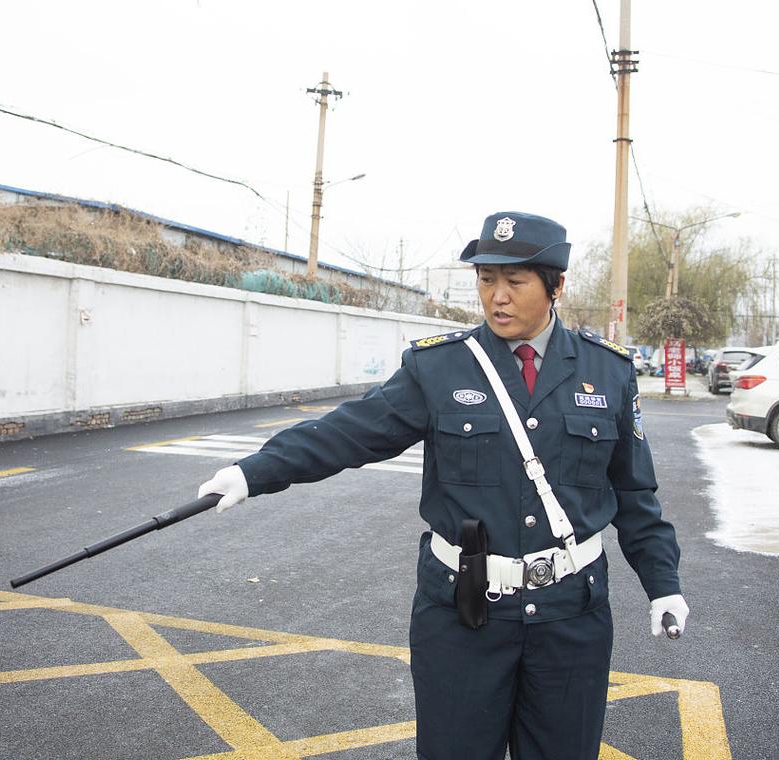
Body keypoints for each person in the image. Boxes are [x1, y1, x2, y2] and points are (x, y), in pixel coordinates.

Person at [198, 211, 688, 760]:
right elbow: (350, 433)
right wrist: (254, 471)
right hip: (462, 616)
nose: (496, 297)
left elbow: (634, 493)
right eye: (486, 280)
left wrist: (662, 582)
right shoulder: (439, 368)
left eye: (515, 282)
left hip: (570, 616)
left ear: (556, 287)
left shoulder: (609, 371)